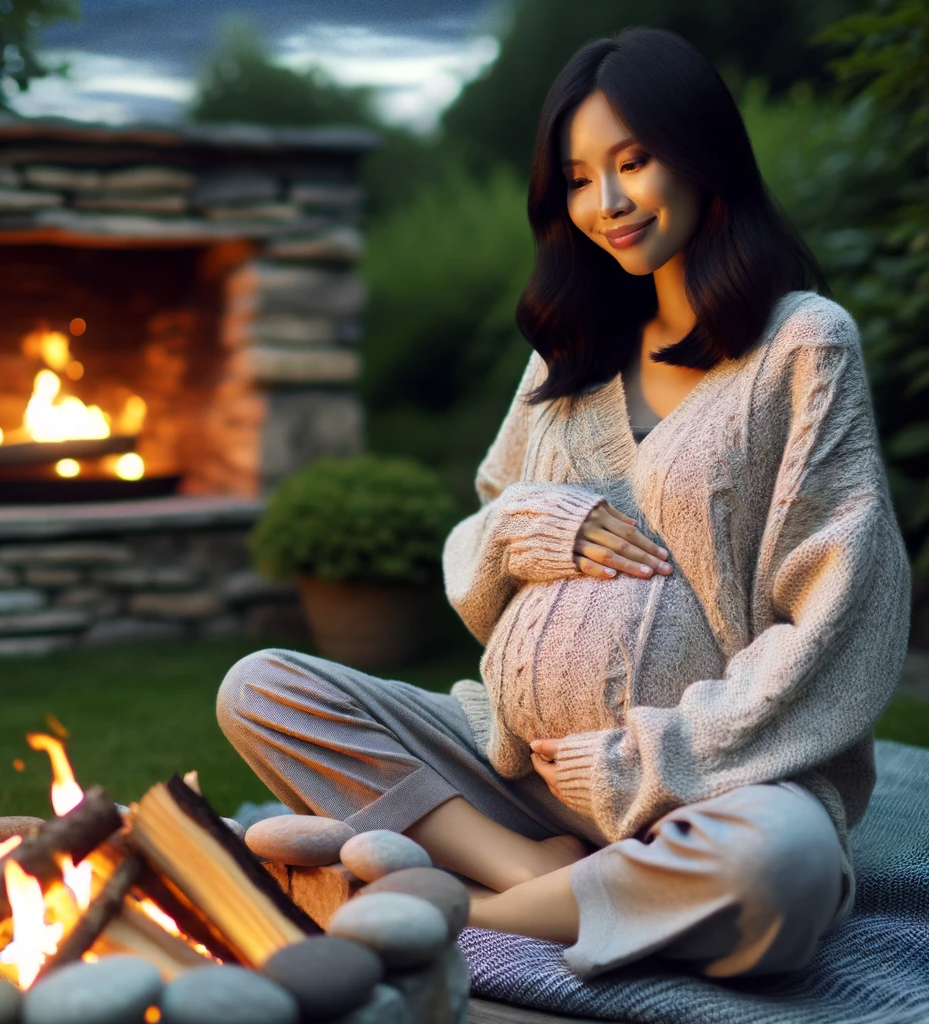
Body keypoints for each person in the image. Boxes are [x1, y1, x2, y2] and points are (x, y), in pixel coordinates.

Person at [217, 27, 911, 979]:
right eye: (580, 178)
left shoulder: (800, 344)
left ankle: (472, 910)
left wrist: (646, 760)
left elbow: (846, 609)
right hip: (522, 771)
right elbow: (477, 540)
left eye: (634, 162)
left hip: (712, 781)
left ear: (704, 154)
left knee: (779, 870)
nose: (609, 203)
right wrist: (518, 528)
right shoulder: (571, 351)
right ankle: (535, 874)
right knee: (260, 688)